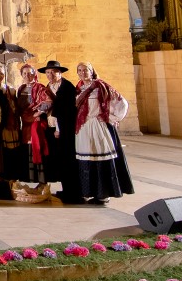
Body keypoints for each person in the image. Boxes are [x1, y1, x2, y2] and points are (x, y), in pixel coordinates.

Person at [75, 62, 134, 205]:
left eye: (86, 70)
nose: (83, 73)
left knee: (101, 160)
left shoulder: (101, 86)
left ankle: (103, 193)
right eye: (80, 70)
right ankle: (88, 191)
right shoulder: (78, 88)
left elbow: (121, 102)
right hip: (83, 127)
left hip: (98, 126)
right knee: (86, 160)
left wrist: (112, 118)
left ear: (92, 71)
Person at [40, 60, 82, 203]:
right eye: (47, 72)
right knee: (59, 160)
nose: (50, 75)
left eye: (53, 72)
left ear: (60, 73)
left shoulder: (67, 87)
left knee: (68, 160)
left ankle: (73, 193)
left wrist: (59, 129)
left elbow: (65, 110)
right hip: (51, 128)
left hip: (64, 129)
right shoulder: (48, 87)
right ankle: (66, 189)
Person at [15, 64, 51, 183]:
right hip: (25, 123)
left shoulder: (40, 87)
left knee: (36, 147)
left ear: (34, 74)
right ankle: (28, 179)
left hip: (35, 122)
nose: (27, 76)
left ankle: (39, 180)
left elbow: (48, 101)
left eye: (30, 73)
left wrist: (38, 113)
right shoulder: (21, 88)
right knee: (26, 149)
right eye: (24, 73)